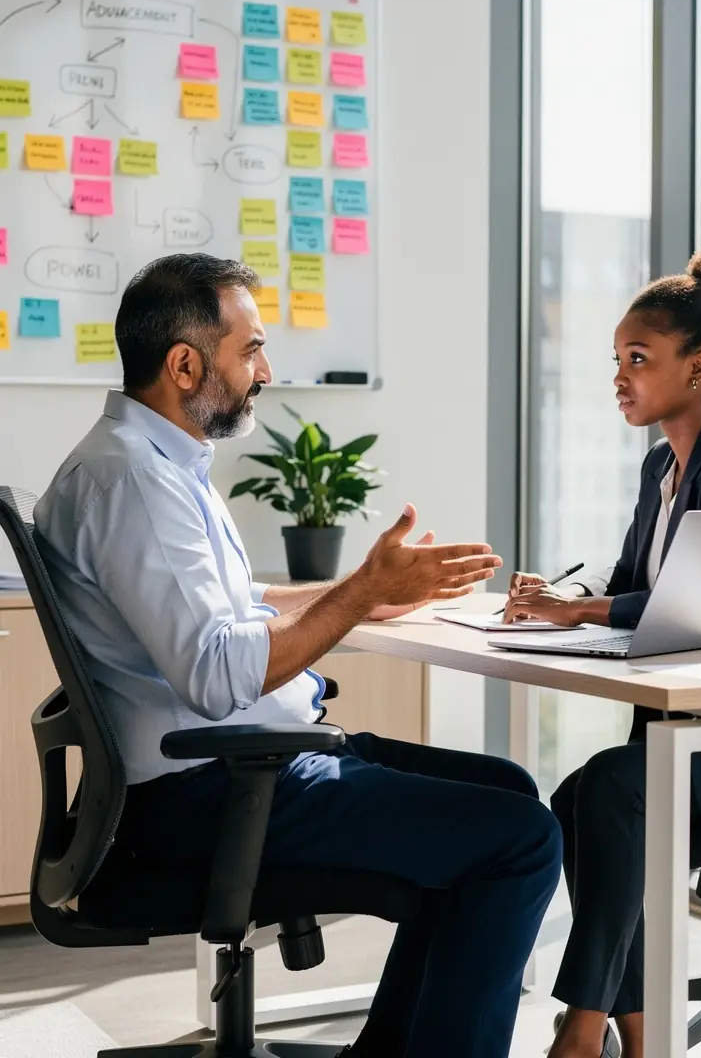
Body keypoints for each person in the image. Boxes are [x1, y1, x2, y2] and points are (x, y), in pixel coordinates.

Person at [33, 253, 563, 1058]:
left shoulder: (149, 463)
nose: (266, 370)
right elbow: (216, 674)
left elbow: (232, 614)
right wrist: (351, 601)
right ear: (185, 364)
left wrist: (365, 591)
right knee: (519, 838)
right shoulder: (134, 483)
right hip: (214, 789)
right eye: (249, 350)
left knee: (506, 789)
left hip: (226, 771)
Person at [502, 248, 701, 1058]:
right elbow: (639, 578)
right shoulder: (661, 469)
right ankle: (638, 1032)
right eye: (617, 359)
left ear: (699, 366)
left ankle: (584, 1026)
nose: (619, 375)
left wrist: (583, 611)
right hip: (688, 738)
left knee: (607, 793)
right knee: (577, 798)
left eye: (638, 359)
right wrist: (560, 598)